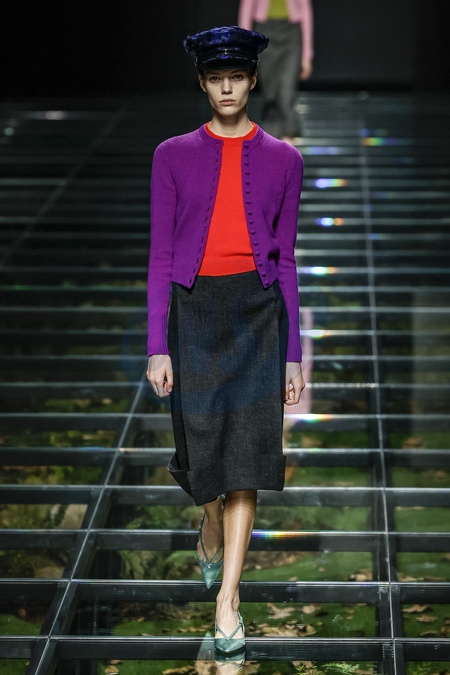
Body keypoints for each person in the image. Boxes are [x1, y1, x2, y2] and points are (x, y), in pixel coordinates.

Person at [146, 25, 305, 656]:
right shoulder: (171, 155)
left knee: (247, 460)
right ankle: (208, 521)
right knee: (202, 455)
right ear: (204, 83)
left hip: (258, 316)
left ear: (253, 80)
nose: (228, 88)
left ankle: (228, 601)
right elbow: (161, 255)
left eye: (237, 77)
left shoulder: (285, 159)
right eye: (216, 79)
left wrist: (293, 354)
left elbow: (287, 260)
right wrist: (156, 343)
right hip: (193, 313)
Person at [238, 0, 314, 143]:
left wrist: (306, 56)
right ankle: (273, 140)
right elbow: (247, 9)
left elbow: (305, 11)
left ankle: (289, 135)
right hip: (264, 32)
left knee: (287, 87)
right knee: (270, 92)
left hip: (291, 32)